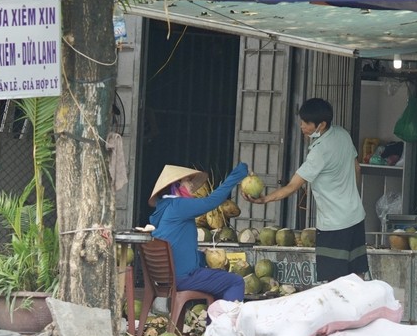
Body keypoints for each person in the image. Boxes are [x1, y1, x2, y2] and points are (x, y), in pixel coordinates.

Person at [241, 98, 369, 282]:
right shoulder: (342, 134)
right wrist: (349, 195)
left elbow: (293, 186)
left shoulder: (318, 153)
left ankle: (337, 311)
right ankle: (358, 309)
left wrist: (264, 199)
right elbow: (357, 168)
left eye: (306, 123)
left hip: (334, 225)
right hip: (356, 216)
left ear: (321, 125)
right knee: (357, 274)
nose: (301, 126)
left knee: (334, 280)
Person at [148, 162, 248, 301]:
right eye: (188, 181)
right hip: (183, 277)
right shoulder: (178, 206)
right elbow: (212, 201)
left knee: (218, 281)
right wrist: (238, 174)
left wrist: (201, 256)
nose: (191, 186)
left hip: (168, 277)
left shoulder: (164, 208)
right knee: (235, 282)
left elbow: (177, 246)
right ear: (176, 185)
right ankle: (225, 322)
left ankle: (215, 321)